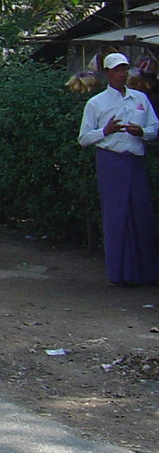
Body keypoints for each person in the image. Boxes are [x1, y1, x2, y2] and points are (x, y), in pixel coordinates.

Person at [77, 52, 159, 286]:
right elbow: (84, 137)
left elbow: (154, 127)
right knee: (117, 216)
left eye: (124, 69)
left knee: (141, 215)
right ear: (107, 74)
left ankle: (146, 271)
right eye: (116, 70)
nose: (121, 74)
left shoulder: (139, 98)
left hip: (135, 160)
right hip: (111, 161)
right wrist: (106, 131)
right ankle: (119, 272)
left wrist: (141, 132)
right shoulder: (97, 103)